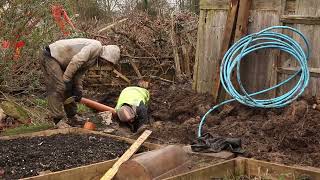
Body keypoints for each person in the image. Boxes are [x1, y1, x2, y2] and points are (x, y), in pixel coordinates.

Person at [41, 38, 120, 127]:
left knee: (70, 90)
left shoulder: (93, 60)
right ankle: (58, 120)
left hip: (64, 62)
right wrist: (67, 79)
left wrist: (78, 89)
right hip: (52, 56)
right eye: (106, 62)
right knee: (59, 87)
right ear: (106, 56)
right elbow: (76, 61)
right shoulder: (96, 47)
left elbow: (79, 73)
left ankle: (72, 116)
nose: (104, 64)